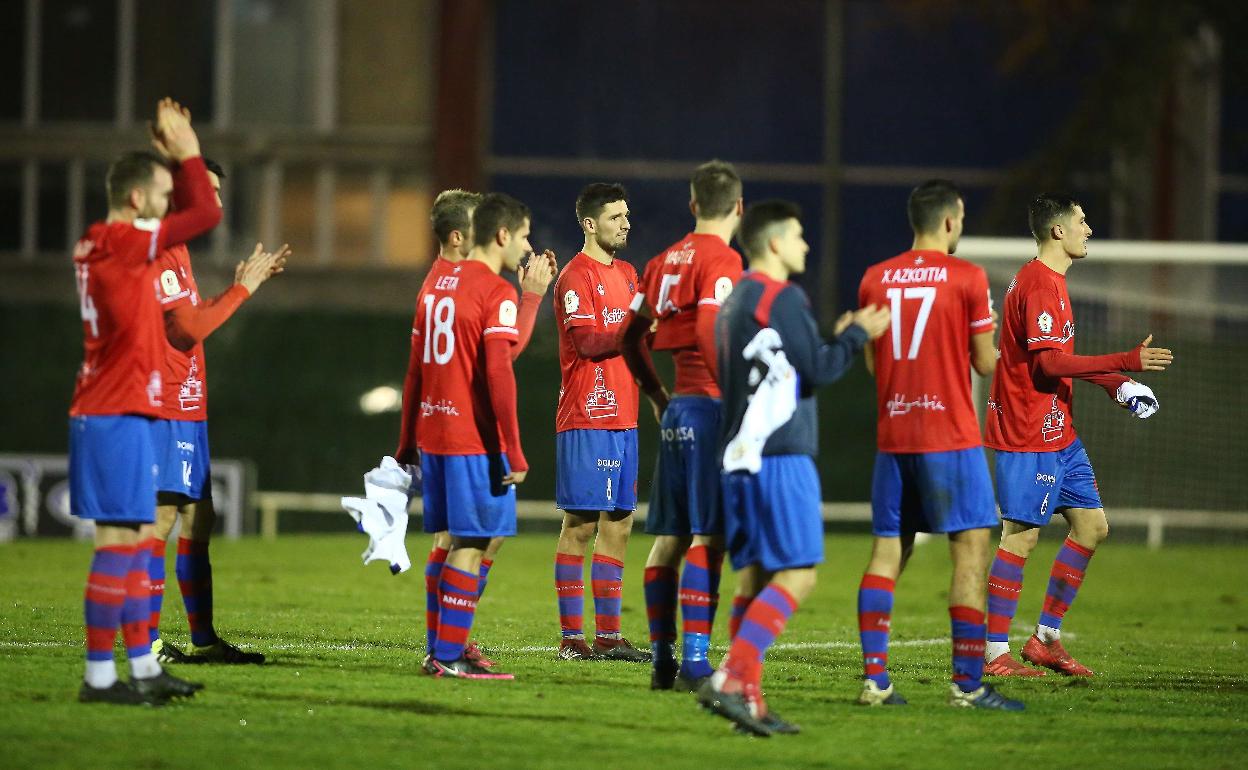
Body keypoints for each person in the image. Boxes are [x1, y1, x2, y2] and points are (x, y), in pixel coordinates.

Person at [697, 200, 890, 736]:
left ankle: (749, 702)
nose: (806, 245)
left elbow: (784, 366)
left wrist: (835, 339)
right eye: (799, 236)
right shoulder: (780, 296)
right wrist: (857, 334)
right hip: (779, 458)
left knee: (755, 579)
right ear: (776, 243)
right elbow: (819, 369)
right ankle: (729, 680)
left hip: (739, 456)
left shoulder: (737, 299)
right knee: (799, 574)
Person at [983, 193, 1172, 677]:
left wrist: (1116, 384)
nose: (1089, 229)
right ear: (1058, 231)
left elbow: (1060, 363)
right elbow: (1048, 365)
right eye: (1082, 221)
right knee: (1020, 539)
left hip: (1058, 432)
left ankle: (1045, 639)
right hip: (1027, 433)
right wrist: (1125, 361)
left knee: (1092, 527)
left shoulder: (1052, 282)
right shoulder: (1039, 285)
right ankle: (995, 655)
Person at [854, 180, 1023, 711]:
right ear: (950, 221)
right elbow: (985, 362)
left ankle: (875, 682)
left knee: (887, 552)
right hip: (950, 437)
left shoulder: (875, 277)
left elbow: (872, 363)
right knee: (970, 552)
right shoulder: (968, 277)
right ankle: (967, 686)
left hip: (894, 437)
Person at [71, 98, 217, 704]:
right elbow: (206, 211)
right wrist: (187, 150)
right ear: (137, 200)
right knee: (118, 544)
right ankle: (100, 678)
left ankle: (142, 669)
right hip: (117, 411)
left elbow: (186, 209)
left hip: (115, 407)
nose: (169, 204)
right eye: (160, 195)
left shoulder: (96, 241)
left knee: (132, 541)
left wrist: (167, 162)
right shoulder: (126, 243)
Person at [395, 189, 556, 669]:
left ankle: (446, 645)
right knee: (470, 542)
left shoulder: (436, 285)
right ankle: (447, 653)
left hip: (435, 433)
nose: (526, 246)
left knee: (459, 540)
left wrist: (407, 440)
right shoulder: (492, 289)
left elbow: (415, 371)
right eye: (523, 236)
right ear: (499, 235)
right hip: (472, 437)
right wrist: (514, 449)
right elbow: (500, 368)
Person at [146, 153, 288, 665]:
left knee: (197, 518)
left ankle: (204, 640)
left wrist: (238, 287)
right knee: (161, 520)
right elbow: (185, 331)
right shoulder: (159, 250)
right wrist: (242, 290)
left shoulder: (178, 251)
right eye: (209, 191)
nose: (217, 202)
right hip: (163, 407)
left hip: (188, 407)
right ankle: (146, 644)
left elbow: (188, 321)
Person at [617, 160, 744, 689]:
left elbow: (630, 336)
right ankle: (694, 662)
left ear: (693, 205)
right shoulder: (724, 260)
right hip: (711, 408)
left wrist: (655, 394)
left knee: (670, 536)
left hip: (677, 411)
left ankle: (662, 660)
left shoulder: (662, 260)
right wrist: (736, 397)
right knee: (709, 537)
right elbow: (712, 327)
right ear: (739, 207)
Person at [551, 183, 648, 662]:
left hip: (625, 415)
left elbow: (639, 341)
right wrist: (637, 328)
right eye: (615, 217)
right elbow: (588, 342)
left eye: (626, 215)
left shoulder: (628, 274)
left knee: (621, 523)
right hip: (588, 412)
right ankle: (572, 639)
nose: (626, 224)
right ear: (590, 224)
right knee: (581, 524)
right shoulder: (575, 276)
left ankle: (609, 637)